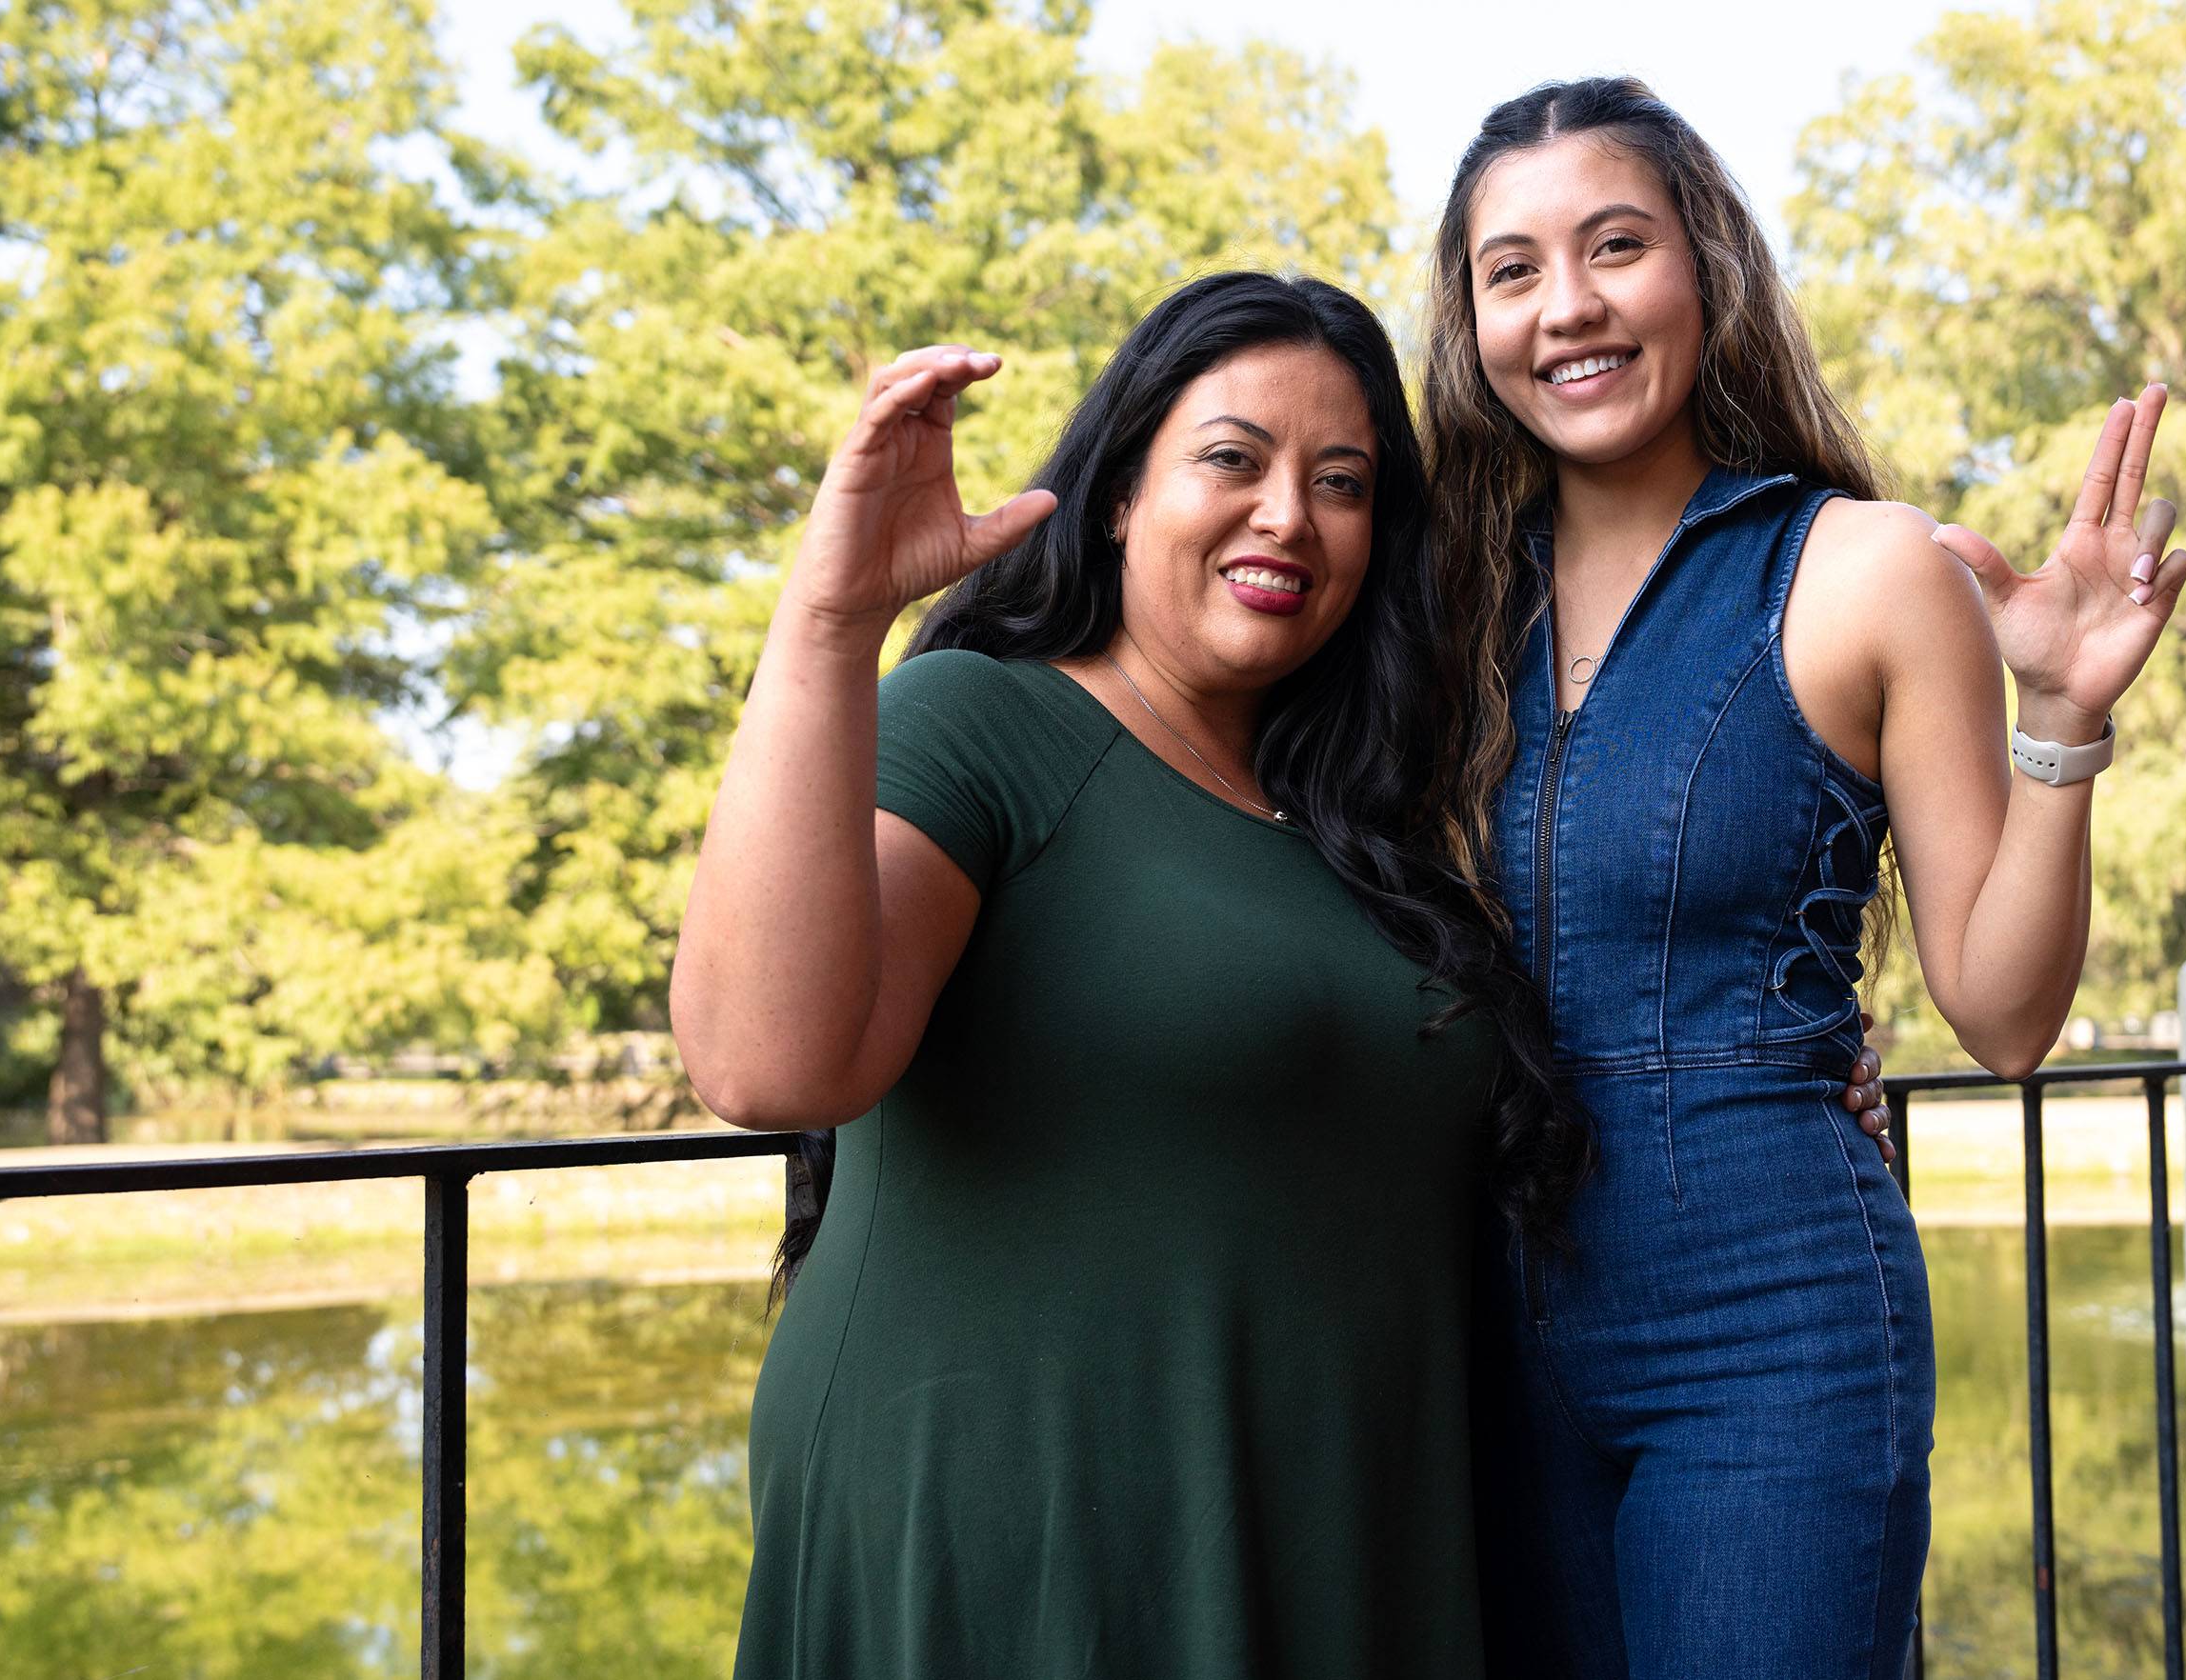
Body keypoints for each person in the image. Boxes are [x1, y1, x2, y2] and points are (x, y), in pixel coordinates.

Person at [668, 270, 1581, 1678]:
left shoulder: (1365, 831)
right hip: (1037, 1555)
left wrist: (1780, 1064)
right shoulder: (980, 721)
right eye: (1234, 458)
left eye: (1342, 483)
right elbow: (764, 1062)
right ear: (1117, 493)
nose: (1289, 512)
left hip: (1334, 1548)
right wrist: (833, 621)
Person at [1422, 78, 2186, 1678]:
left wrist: (2061, 721)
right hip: (1468, 1316)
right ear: (1471, 319)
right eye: (1512, 270)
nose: (1566, 305)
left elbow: (2000, 1014)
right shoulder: (1428, 606)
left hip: (1768, 1321)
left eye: (1614, 246)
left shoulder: (1864, 568)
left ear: (1702, 269)